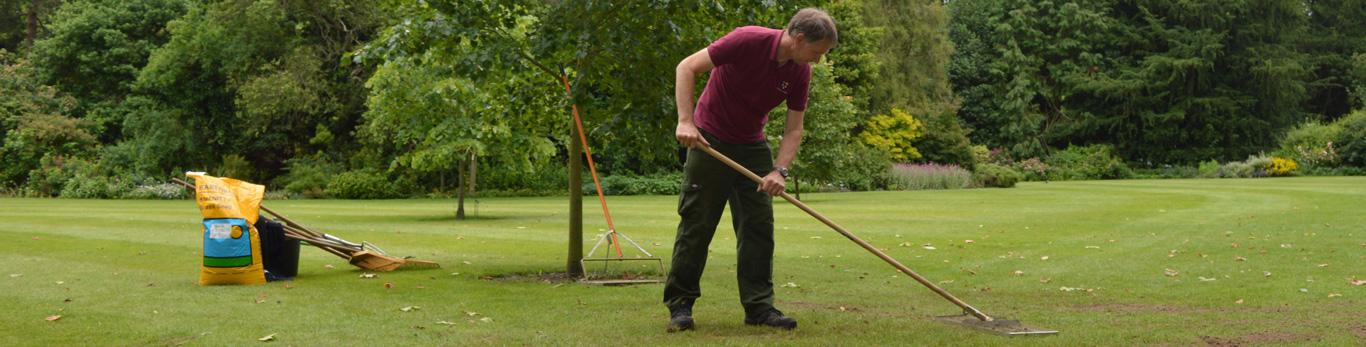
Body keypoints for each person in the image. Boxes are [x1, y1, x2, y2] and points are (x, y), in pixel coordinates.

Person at [664, 8, 836, 331]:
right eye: (816, 52)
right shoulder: (746, 40)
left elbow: (793, 128)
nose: (817, 60)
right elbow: (686, 67)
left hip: (752, 145)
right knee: (697, 225)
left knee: (758, 226)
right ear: (799, 40)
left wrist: (779, 171)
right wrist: (685, 121)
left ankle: (759, 308)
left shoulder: (800, 72)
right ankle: (681, 305)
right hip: (710, 139)